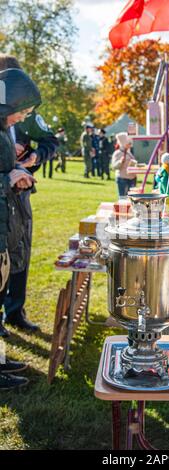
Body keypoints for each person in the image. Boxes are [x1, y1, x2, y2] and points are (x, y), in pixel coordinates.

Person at [0, 54, 58, 332]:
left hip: (19, 192)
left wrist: (34, 157)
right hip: (4, 190)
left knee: (20, 250)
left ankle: (14, 310)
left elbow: (50, 140)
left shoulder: (29, 114)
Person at [0, 67, 41, 389]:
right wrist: (8, 177)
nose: (21, 118)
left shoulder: (3, 129)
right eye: (21, 111)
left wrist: (15, 172)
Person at [111, 132, 137, 197]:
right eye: (129, 143)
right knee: (123, 199)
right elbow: (114, 167)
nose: (130, 145)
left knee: (131, 199)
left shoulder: (129, 152)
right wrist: (120, 162)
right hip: (123, 179)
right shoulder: (117, 153)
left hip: (132, 178)